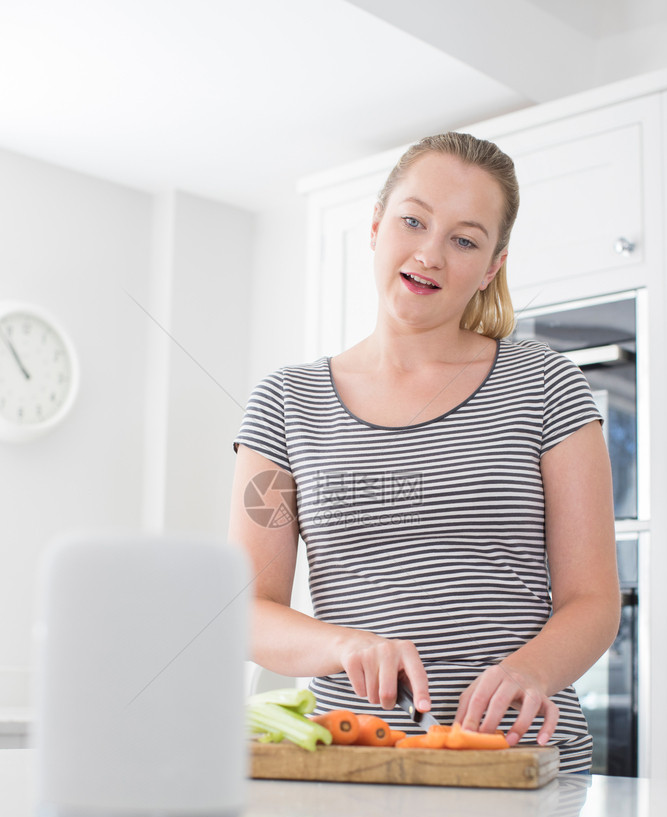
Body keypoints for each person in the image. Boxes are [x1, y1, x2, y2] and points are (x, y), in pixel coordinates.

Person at [229, 132, 621, 772]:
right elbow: (247, 611)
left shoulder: (548, 386)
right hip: (353, 767)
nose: (430, 254)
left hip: (514, 760)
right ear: (378, 227)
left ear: (492, 266)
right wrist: (347, 645)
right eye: (414, 221)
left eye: (464, 240)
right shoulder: (282, 406)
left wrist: (530, 670)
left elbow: (593, 600)